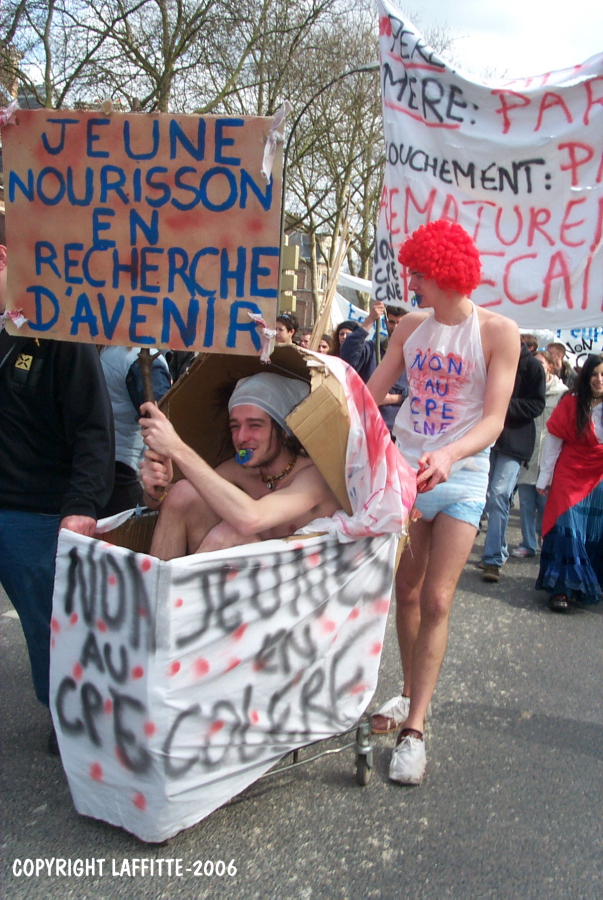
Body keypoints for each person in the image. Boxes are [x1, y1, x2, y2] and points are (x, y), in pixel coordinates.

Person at [366, 219, 520, 785]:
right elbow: (369, 394)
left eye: (419, 274)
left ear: (447, 273)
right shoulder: (410, 327)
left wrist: (450, 455)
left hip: (461, 475)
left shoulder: (498, 332)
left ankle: (416, 729)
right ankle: (406, 693)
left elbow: (495, 419)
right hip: (408, 473)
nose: (412, 283)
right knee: (404, 591)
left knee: (436, 598)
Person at [0, 220, 115, 738]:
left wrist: (83, 505)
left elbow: (94, 428)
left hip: (36, 514)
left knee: (49, 623)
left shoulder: (62, 334)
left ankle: (67, 713)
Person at [139, 372, 340, 560]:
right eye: (235, 426)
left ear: (284, 431)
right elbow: (179, 500)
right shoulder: (238, 470)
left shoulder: (314, 475)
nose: (241, 438)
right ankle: (156, 591)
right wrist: (158, 491)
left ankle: (173, 592)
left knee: (231, 533)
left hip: (297, 583)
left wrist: (178, 450)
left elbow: (251, 518)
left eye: (255, 425)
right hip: (239, 584)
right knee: (183, 492)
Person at [535, 354, 603, 612]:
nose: (599, 379)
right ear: (586, 376)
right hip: (569, 472)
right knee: (566, 527)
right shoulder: (572, 402)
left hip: (599, 474)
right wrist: (544, 477)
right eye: (595, 374)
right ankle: (559, 588)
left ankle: (589, 580)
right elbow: (553, 443)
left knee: (593, 529)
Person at [479, 340, 546, 582]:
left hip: (514, 443)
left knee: (498, 494)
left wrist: (504, 406)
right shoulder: (490, 359)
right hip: (486, 438)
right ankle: (499, 548)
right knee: (486, 496)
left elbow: (537, 404)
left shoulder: (533, 368)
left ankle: (493, 559)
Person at [98, 346, 171, 517]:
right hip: (122, 471)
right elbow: (167, 424)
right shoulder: (137, 360)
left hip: (108, 463)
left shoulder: (113, 353)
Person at [511, 351, 567, 558]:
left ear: (551, 367)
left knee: (545, 504)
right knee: (525, 503)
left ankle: (546, 540)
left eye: (541, 363)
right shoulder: (526, 388)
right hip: (527, 453)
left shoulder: (562, 393)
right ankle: (528, 543)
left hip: (550, 457)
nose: (537, 366)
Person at [339, 300, 409, 433]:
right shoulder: (372, 349)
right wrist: (369, 320)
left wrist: (394, 398)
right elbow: (347, 357)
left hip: (401, 433)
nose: (395, 327)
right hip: (369, 428)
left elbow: (426, 393)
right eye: (392, 322)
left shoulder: (417, 354)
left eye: (400, 323)